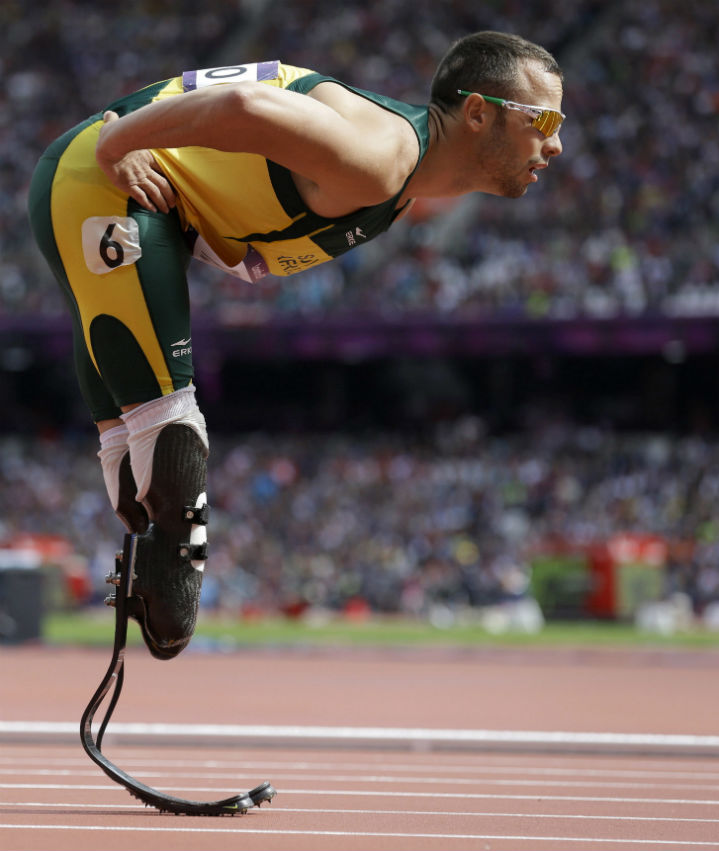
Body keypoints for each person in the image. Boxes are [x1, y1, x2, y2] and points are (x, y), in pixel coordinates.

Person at [27, 31, 564, 660]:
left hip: (123, 194)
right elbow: (242, 109)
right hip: (105, 177)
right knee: (170, 436)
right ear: (478, 113)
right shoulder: (381, 158)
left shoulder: (401, 171)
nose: (556, 143)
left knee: (130, 473)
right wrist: (117, 141)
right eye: (545, 119)